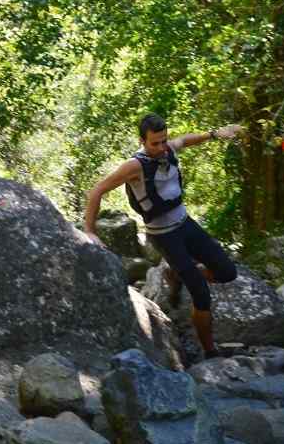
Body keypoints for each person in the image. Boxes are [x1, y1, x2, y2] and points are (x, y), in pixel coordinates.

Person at [83, 113, 243, 359]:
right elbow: (96, 191)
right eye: (154, 143)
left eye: (163, 141)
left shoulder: (168, 149)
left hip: (185, 224)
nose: (160, 147)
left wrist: (214, 134)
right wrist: (90, 232)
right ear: (142, 141)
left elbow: (186, 141)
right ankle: (210, 352)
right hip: (163, 235)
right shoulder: (134, 166)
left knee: (227, 272)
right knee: (200, 291)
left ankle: (176, 273)